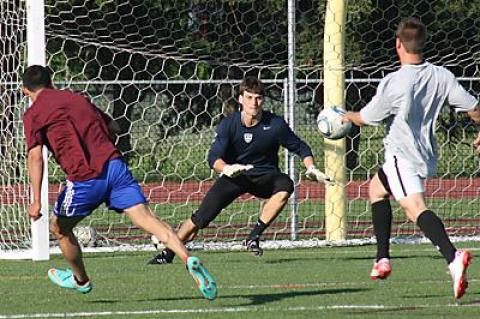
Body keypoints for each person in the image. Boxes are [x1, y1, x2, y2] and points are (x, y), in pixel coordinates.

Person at [22, 65, 217, 300]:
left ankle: (81, 280)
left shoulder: (33, 114)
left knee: (60, 229)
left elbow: (35, 156)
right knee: (148, 219)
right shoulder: (78, 98)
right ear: (51, 82)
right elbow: (113, 127)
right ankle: (187, 257)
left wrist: (35, 201)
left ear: (25, 91)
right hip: (115, 167)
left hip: (84, 179)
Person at [342, 17, 480, 299]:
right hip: (425, 155)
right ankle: (382, 259)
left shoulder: (394, 81)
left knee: (415, 208)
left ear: (398, 44)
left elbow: (367, 118)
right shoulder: (442, 75)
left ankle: (453, 257)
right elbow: (475, 108)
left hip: (401, 155)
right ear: (422, 44)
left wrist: (343, 117)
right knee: (376, 189)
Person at [148, 76, 334, 265]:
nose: (254, 102)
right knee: (200, 220)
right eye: (249, 97)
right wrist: (227, 168)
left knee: (286, 185)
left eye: (258, 98)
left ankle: (253, 237)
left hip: (264, 175)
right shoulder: (229, 124)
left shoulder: (275, 124)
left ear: (263, 100)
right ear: (240, 99)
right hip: (234, 176)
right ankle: (169, 253)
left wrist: (311, 167)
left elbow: (300, 147)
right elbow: (213, 158)